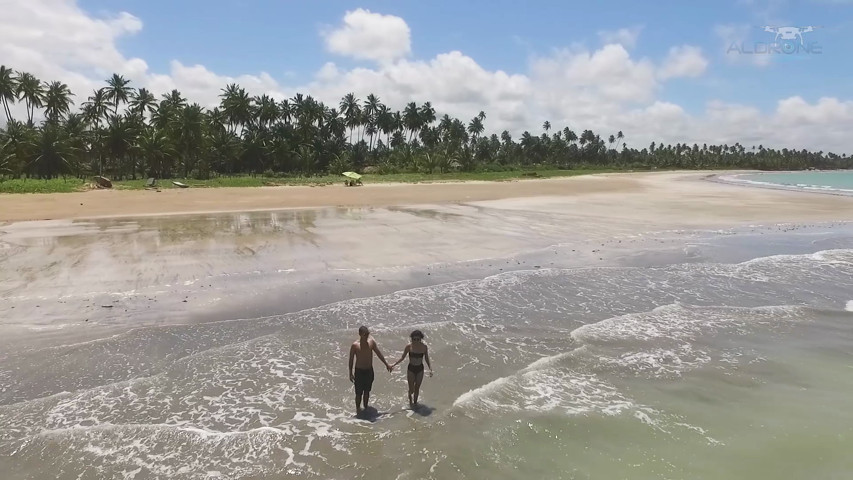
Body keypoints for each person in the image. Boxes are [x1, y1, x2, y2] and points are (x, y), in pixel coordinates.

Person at [348, 325, 392, 415]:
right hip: (359, 371)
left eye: (368, 333)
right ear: (360, 334)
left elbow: (378, 353)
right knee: (358, 393)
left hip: (369, 371)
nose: (367, 335)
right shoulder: (355, 345)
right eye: (365, 334)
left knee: (367, 391)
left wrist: (386, 364)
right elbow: (351, 359)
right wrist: (350, 373)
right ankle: (358, 410)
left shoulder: (371, 342)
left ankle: (366, 408)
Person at [391, 329, 433, 406]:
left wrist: (430, 369)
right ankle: (410, 400)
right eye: (414, 339)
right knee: (412, 389)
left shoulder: (424, 347)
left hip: (420, 369)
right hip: (411, 369)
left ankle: (415, 404)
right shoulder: (408, 347)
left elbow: (426, 358)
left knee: (417, 388)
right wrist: (393, 365)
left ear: (421, 339)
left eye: (418, 339)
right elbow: (402, 357)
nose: (416, 341)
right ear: (412, 339)